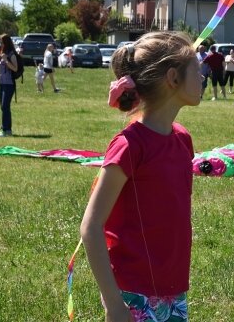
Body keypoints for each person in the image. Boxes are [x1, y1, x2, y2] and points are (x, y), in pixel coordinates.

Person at [80, 31, 201, 322]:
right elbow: (91, 227)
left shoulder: (182, 139)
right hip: (133, 293)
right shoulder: (130, 146)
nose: (203, 76)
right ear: (173, 78)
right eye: (197, 70)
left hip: (173, 289)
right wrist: (113, 304)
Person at [0, 34, 19, 137]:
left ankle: (7, 130)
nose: (0, 44)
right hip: (2, 83)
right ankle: (3, 128)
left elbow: (15, 68)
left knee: (5, 106)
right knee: (2, 106)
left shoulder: (11, 54)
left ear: (6, 43)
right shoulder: (3, 53)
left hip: (9, 84)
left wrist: (6, 60)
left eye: (1, 42)